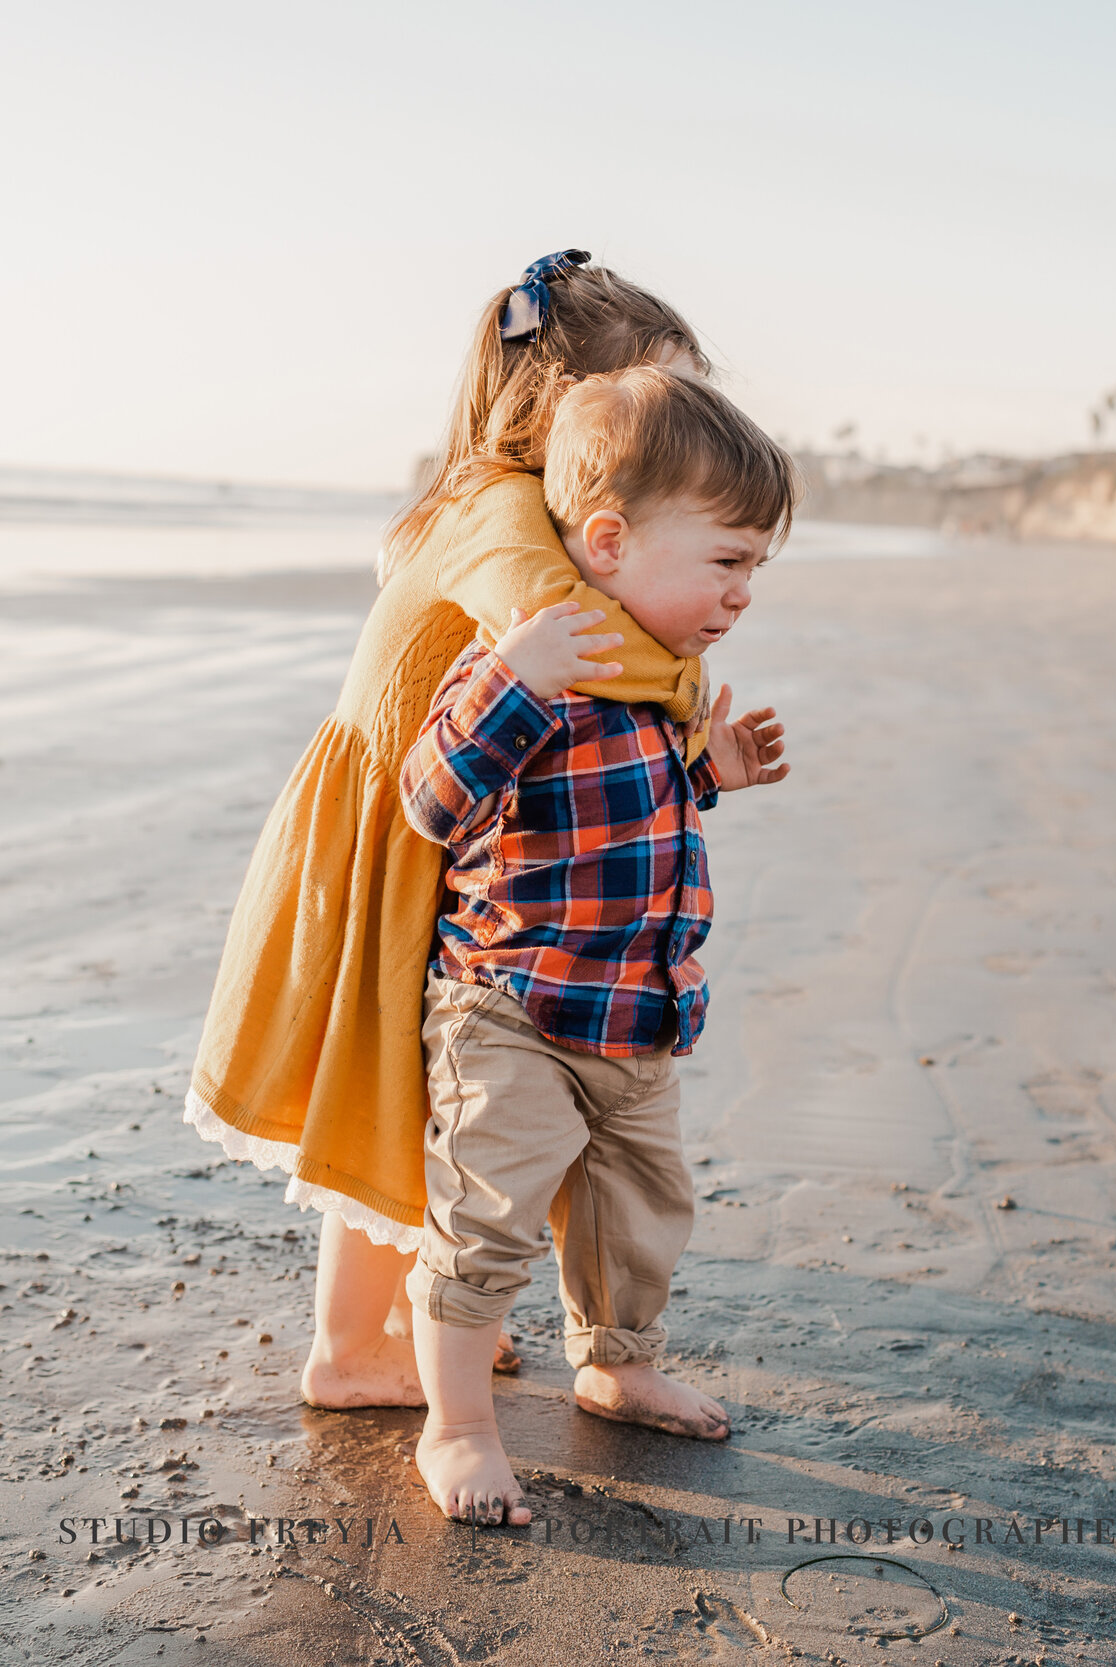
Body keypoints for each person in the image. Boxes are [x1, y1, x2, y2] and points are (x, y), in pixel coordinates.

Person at [185, 252, 717, 1408]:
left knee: (414, 1090)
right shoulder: (502, 511)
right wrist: (682, 688)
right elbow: (564, 624)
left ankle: (406, 1322)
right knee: (392, 1094)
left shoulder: (472, 493)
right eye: (661, 403)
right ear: (568, 410)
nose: (684, 430)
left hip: (404, 810)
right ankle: (350, 1346)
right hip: (397, 826)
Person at [396, 365, 795, 1525]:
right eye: (726, 561)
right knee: (485, 1220)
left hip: (636, 1012)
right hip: (513, 1008)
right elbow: (431, 797)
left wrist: (708, 771)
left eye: (754, 569)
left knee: (639, 1206)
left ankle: (614, 1359)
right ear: (610, 540)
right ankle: (458, 1424)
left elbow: (621, 815)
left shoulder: (660, 683)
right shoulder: (536, 657)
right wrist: (515, 683)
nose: (742, 594)